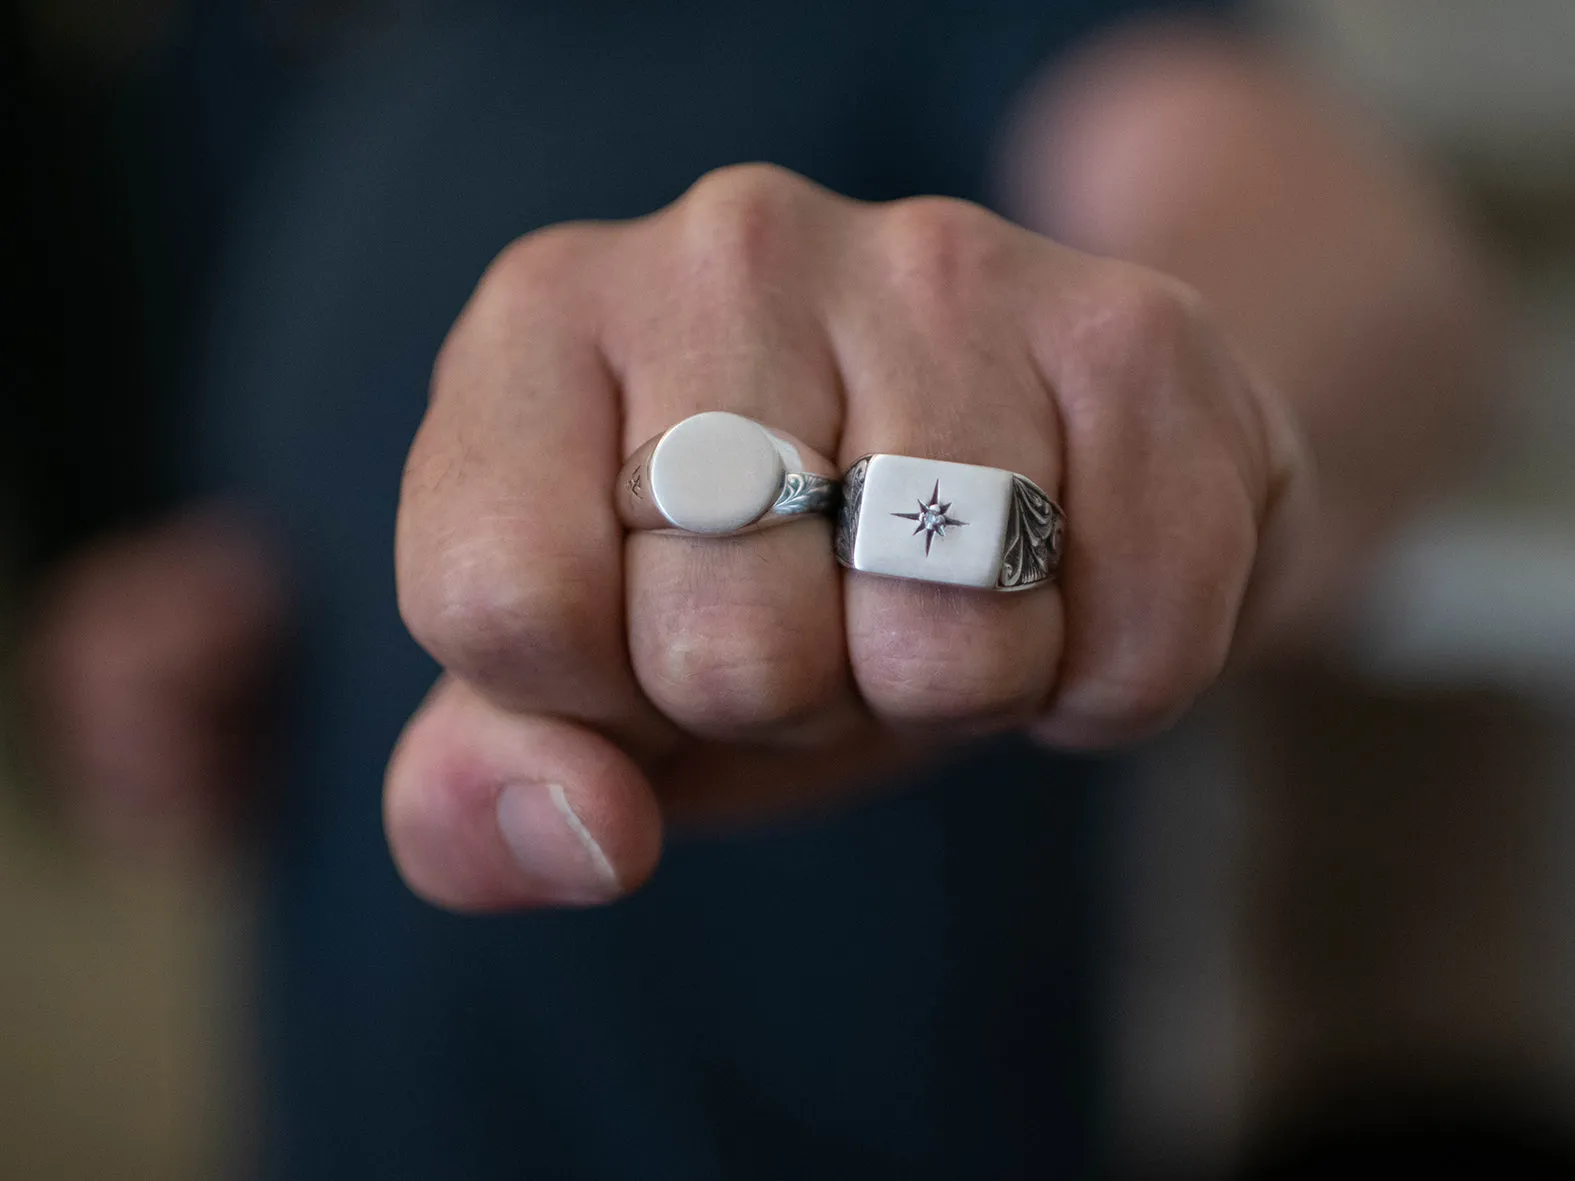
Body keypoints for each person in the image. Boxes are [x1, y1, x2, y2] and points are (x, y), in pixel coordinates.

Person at [28, 0, 1493, 1176]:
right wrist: (163, 637)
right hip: (333, 1114)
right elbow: (295, 496)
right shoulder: (249, 61)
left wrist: (1215, 433)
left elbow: (1333, 243)